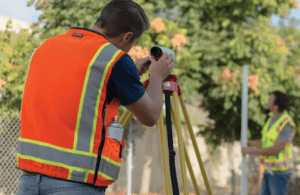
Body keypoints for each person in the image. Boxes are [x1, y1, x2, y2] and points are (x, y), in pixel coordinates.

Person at [15, 0, 175, 194]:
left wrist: (128, 74)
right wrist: (157, 76)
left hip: (29, 181)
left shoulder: (46, 47)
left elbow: (77, 87)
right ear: (127, 37)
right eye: (133, 44)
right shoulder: (115, 60)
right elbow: (150, 115)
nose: (128, 50)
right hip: (75, 184)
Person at [242, 91, 296, 195]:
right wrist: (250, 143)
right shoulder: (272, 120)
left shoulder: (286, 124)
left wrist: (252, 151)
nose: (267, 101)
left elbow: (275, 149)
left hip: (279, 173)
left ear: (276, 106)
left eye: (270, 99)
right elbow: (266, 143)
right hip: (268, 170)